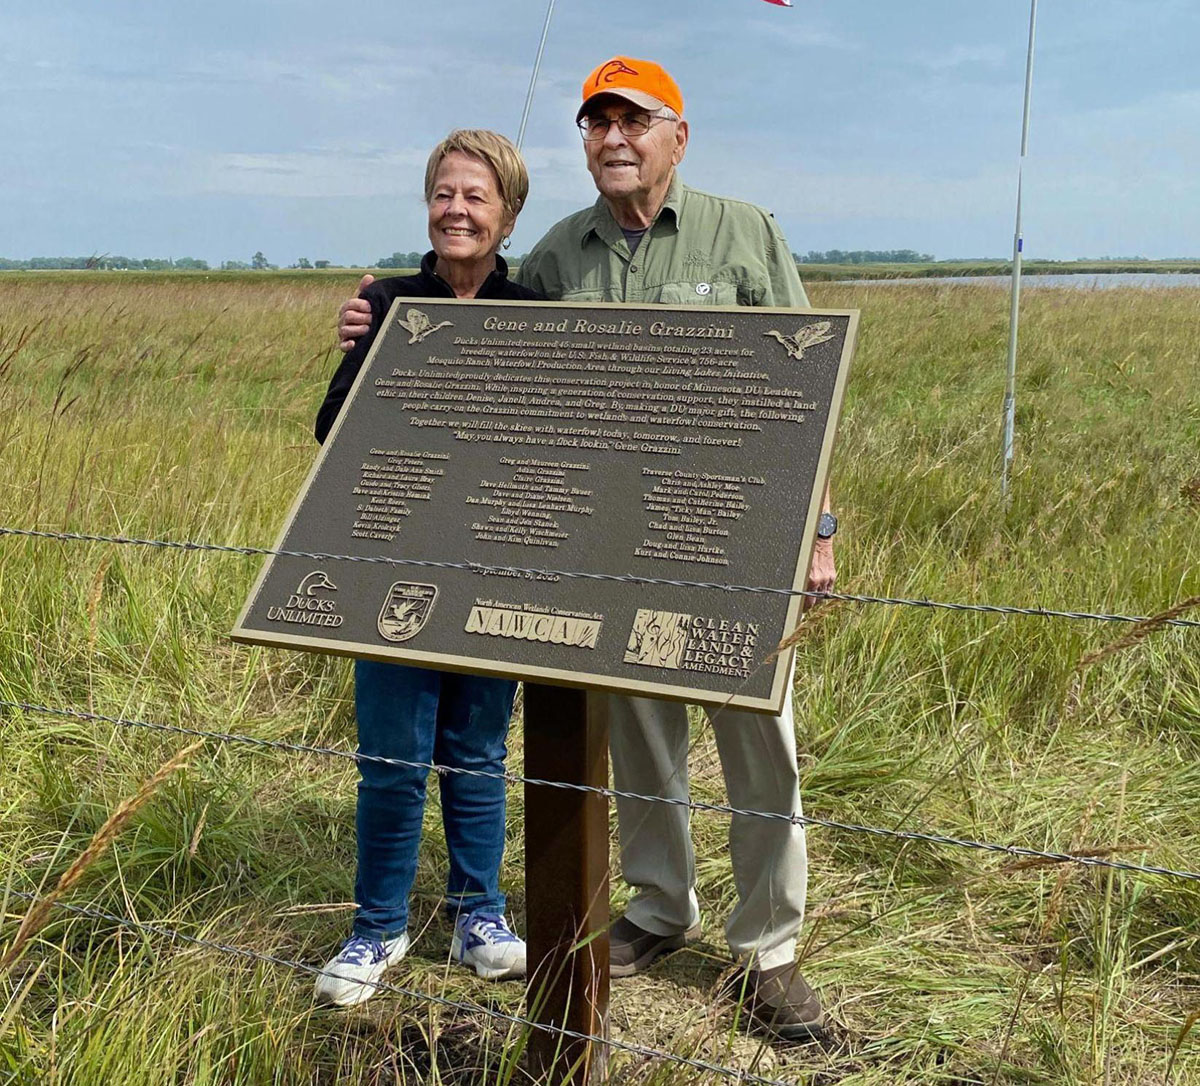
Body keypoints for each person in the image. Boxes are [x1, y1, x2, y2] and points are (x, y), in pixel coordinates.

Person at [335, 60, 836, 1041]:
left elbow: (808, 386)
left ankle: (768, 950)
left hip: (741, 532)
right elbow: (485, 335)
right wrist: (380, 323)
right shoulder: (564, 254)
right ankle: (656, 909)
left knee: (758, 744)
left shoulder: (746, 235)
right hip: (621, 541)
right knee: (641, 735)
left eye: (633, 121)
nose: (613, 138)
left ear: (676, 138)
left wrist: (817, 530)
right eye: (597, 122)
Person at [313, 129, 544, 1007]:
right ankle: (377, 927)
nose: (457, 210)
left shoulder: (539, 308)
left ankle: (479, 913)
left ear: (508, 215)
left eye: (476, 197)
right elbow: (333, 434)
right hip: (394, 565)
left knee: (480, 751)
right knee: (392, 758)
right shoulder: (386, 302)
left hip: (496, 565)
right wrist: (362, 354)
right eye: (444, 193)